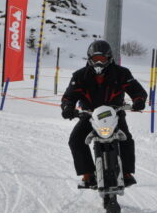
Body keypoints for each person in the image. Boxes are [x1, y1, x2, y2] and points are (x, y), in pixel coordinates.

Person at [60, 40, 148, 188]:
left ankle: (126, 173)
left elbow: (137, 90)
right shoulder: (79, 76)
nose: (99, 63)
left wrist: (139, 100)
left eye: (102, 59)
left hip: (115, 113)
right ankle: (87, 174)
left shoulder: (121, 73)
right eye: (96, 59)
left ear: (110, 58)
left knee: (126, 139)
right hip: (89, 115)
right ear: (89, 59)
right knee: (75, 140)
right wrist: (68, 108)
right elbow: (68, 96)